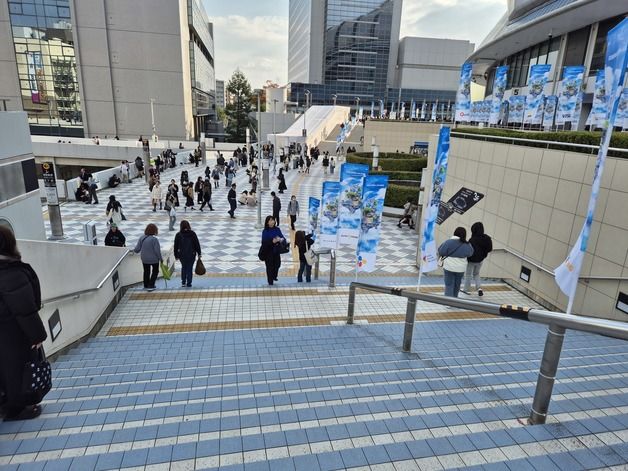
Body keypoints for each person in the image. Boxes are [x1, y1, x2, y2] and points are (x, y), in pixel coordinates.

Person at [0, 226, 48, 421]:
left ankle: (6, 403)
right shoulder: (10, 272)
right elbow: (24, 309)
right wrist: (37, 335)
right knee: (16, 368)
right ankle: (17, 409)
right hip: (12, 332)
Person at [438, 227, 474, 298]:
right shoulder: (467, 244)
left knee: (449, 284)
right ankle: (455, 300)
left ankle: (448, 302)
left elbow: (441, 251)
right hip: (461, 268)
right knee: (457, 284)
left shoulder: (448, 242)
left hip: (449, 267)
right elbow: (470, 253)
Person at [463, 222, 493, 296]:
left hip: (471, 260)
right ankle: (479, 288)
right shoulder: (487, 238)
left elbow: (469, 250)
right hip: (480, 260)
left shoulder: (472, 240)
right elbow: (489, 249)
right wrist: (483, 254)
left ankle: (466, 290)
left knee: (468, 275)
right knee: (476, 274)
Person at [133, 224, 162, 291]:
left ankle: (146, 285)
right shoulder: (154, 240)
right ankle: (151, 284)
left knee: (146, 271)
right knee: (155, 271)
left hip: (144, 259)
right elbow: (157, 251)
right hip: (154, 259)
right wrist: (160, 259)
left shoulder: (142, 238)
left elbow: (137, 249)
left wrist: (132, 251)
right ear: (154, 231)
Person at [174, 220, 202, 288]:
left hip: (182, 255)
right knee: (189, 268)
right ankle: (189, 283)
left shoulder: (178, 234)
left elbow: (176, 246)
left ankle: (183, 282)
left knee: (183, 267)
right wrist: (199, 253)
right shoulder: (192, 234)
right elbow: (197, 244)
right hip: (191, 254)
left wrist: (176, 255)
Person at [259, 216, 285, 285]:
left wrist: (281, 239)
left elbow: (282, 237)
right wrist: (272, 241)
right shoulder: (265, 231)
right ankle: (270, 282)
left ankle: (274, 276)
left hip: (276, 251)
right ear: (267, 222)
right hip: (268, 252)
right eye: (270, 220)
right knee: (269, 267)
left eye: (273, 220)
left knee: (277, 265)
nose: (272, 222)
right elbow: (264, 242)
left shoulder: (277, 229)